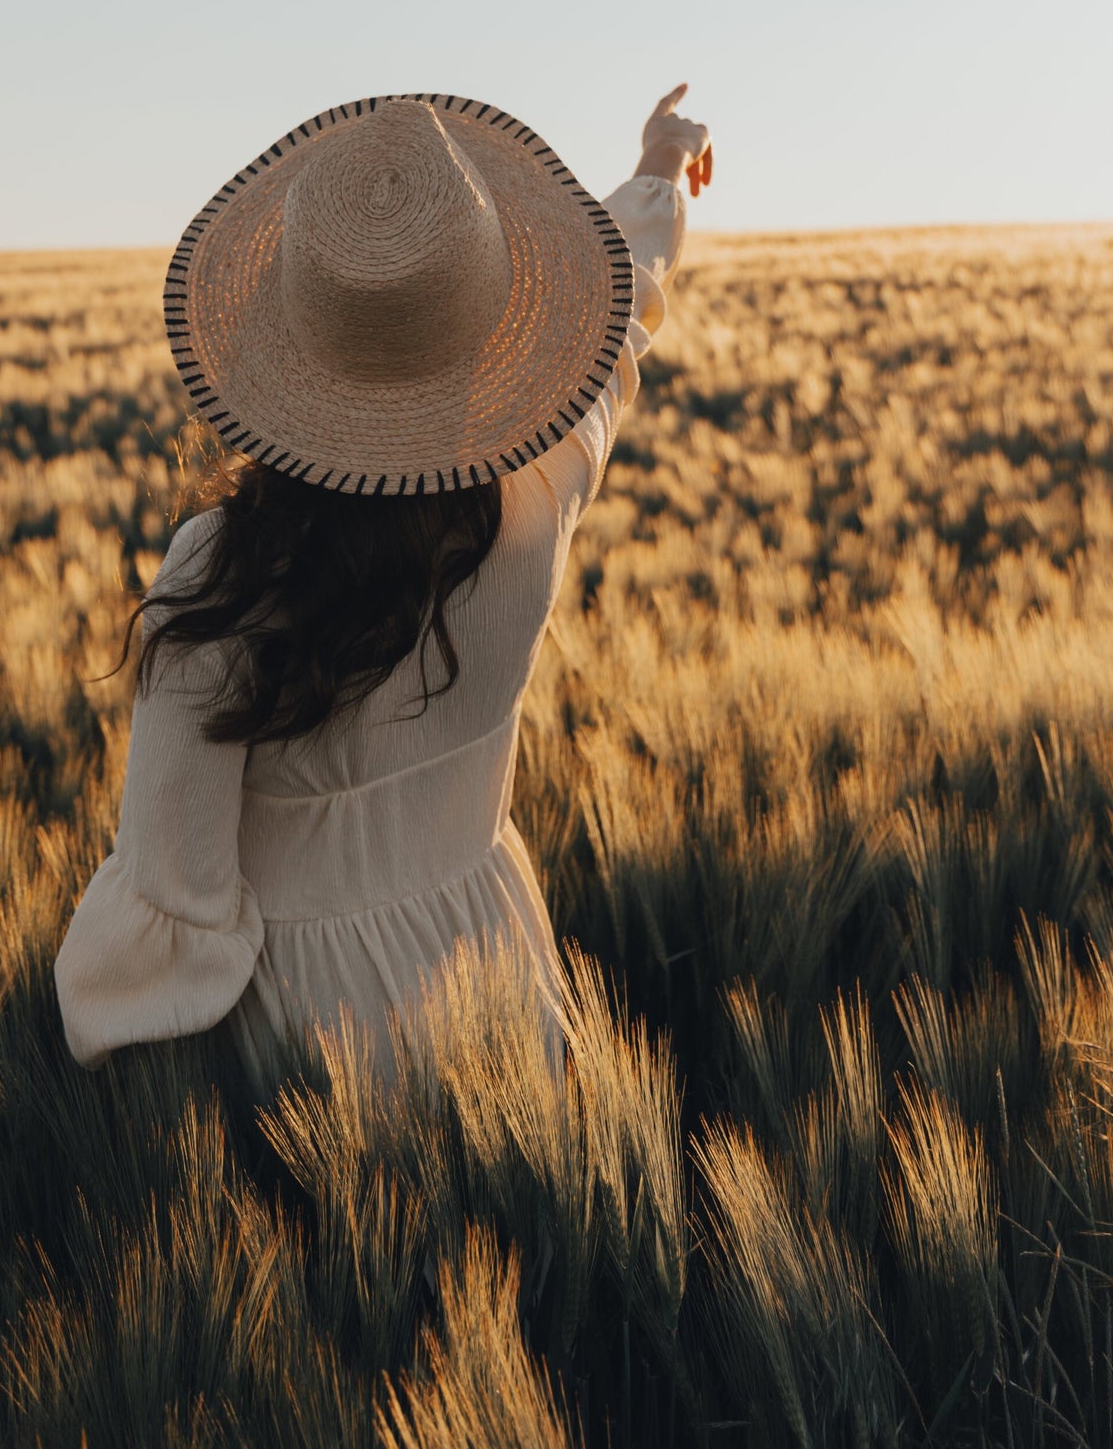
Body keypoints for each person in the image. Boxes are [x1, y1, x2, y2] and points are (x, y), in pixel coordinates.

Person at [53, 84, 713, 1090]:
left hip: (304, 1026)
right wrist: (660, 169)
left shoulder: (222, 566)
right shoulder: (539, 494)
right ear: (491, 325)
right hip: (488, 952)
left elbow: (175, 883)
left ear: (289, 344)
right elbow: (616, 324)